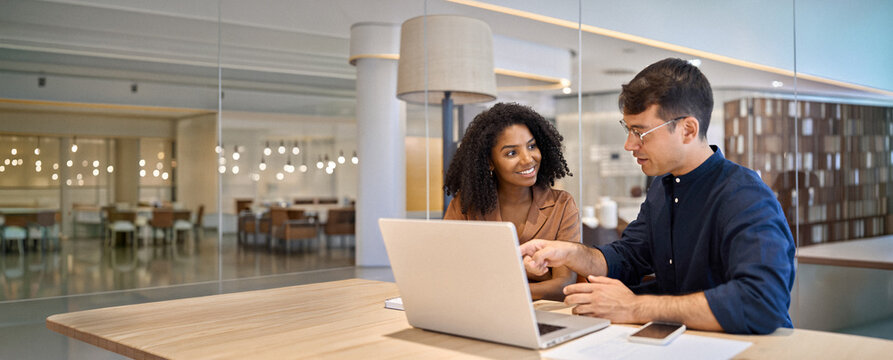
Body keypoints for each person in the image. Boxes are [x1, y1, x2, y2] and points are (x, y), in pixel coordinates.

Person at [521, 58, 795, 334]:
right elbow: (627, 257)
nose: (629, 145)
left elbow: (762, 301)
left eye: (640, 132)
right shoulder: (662, 189)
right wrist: (570, 253)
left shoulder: (744, 195)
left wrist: (634, 308)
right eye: (628, 130)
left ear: (688, 129)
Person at [443, 102, 578, 301]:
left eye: (531, 146)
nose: (528, 159)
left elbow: (564, 285)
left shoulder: (562, 206)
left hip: (542, 314)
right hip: (480, 310)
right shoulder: (465, 206)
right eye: (511, 153)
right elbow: (450, 271)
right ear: (489, 162)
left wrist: (501, 290)